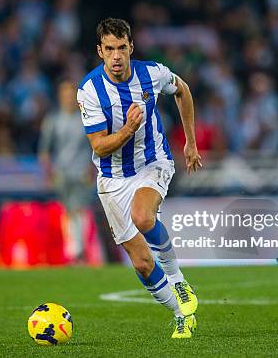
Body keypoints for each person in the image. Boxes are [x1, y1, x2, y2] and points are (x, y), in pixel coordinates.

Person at [76, 18, 202, 338]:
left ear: (131, 47)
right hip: (112, 178)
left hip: (152, 162)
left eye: (121, 48)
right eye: (109, 49)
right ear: (99, 51)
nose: (116, 56)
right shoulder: (89, 91)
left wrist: (190, 141)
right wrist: (128, 130)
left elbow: (183, 90)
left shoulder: (153, 73)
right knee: (143, 263)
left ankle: (178, 280)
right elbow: (99, 147)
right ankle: (180, 314)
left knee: (143, 217)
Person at [39, 79, 94, 262]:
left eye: (71, 95)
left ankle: (77, 251)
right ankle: (75, 251)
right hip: (62, 172)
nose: (68, 98)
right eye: (65, 95)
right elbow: (45, 150)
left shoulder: (86, 119)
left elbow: (95, 146)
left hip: (81, 172)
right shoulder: (53, 120)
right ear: (60, 97)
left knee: (80, 209)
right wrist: (49, 172)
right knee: (68, 211)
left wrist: (92, 168)